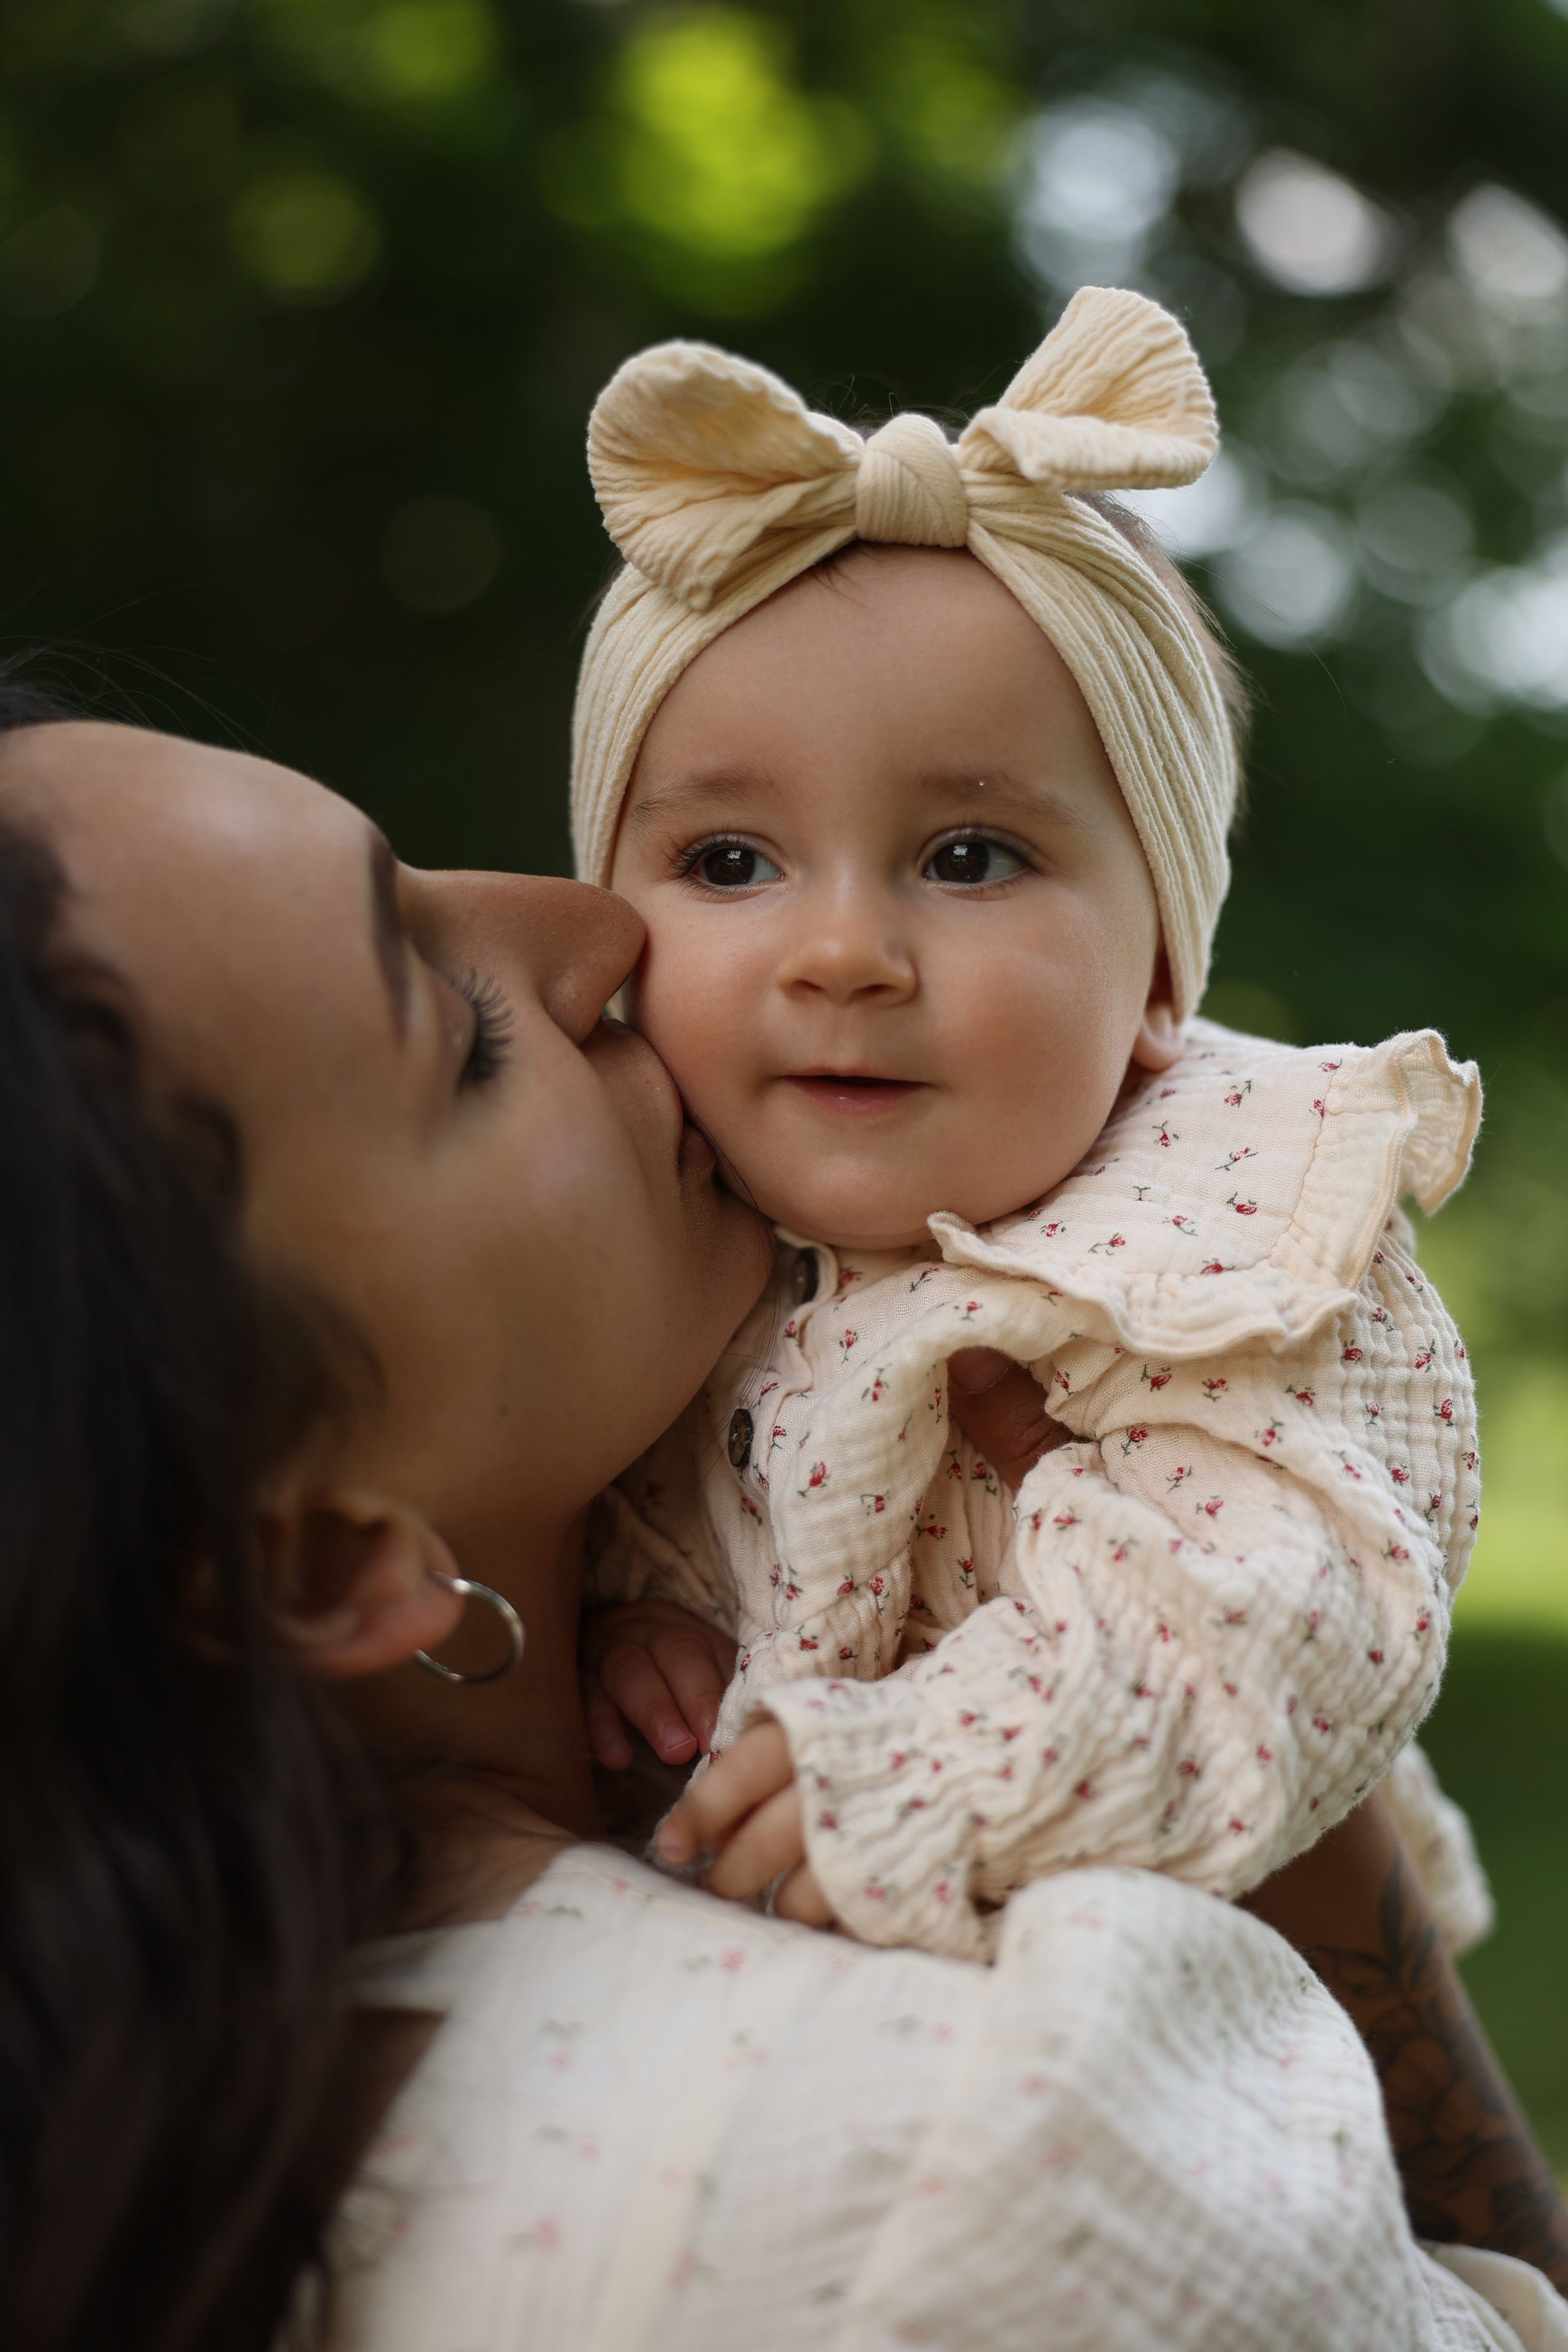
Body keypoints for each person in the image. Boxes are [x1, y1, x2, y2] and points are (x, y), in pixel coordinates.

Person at [0, 695, 1564, 2348]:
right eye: (454, 1033)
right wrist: (1246, 1729)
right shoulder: (991, 2148)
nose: (607, 925)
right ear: (309, 1564)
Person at [564, 285, 1487, 1970]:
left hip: (1178, 2034)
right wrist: (639, 1624)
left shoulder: (1211, 1238)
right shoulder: (625, 1237)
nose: (840, 954)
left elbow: (1288, 1623)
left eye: (970, 858)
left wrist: (926, 1772)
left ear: (1158, 971)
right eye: (729, 864)